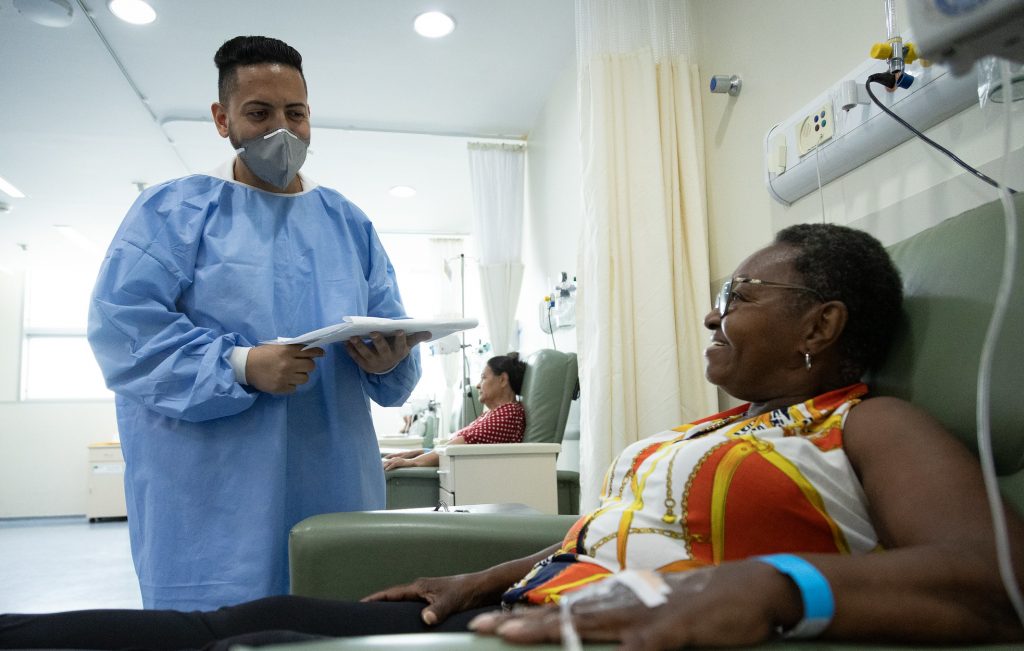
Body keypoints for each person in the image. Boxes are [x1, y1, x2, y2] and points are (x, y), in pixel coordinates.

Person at [6, 224, 1023, 649]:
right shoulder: (715, 430)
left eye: (738, 295)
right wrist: (483, 577)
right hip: (526, 610)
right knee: (232, 622)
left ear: (822, 323)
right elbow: (602, 533)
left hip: (600, 634)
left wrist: (775, 586)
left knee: (223, 635)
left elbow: (991, 578)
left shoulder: (865, 424)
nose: (713, 316)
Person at [84, 35, 427, 611]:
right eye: (259, 113)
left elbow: (389, 331)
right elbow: (123, 332)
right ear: (223, 120)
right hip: (209, 494)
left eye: (295, 113)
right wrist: (242, 366)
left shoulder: (347, 222)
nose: (282, 131)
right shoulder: (174, 212)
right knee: (220, 627)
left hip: (333, 475)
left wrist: (390, 358)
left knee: (334, 618)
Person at [383, 353, 528, 470]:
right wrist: (419, 453)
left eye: (484, 377)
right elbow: (454, 445)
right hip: (458, 465)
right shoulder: (495, 413)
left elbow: (460, 445)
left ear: (502, 380)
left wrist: (413, 462)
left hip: (470, 471)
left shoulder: (509, 414)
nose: (478, 385)